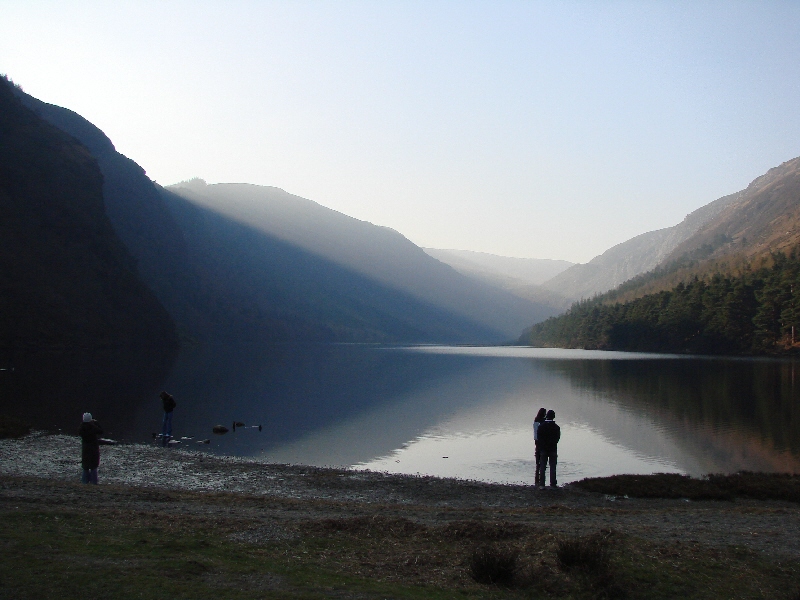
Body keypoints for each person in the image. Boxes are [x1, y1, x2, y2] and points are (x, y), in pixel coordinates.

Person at [536, 409, 561, 489]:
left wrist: (542, 447)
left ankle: (542, 484)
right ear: (553, 417)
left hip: (543, 449)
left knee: (542, 467)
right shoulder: (557, 427)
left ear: (547, 416)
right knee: (553, 467)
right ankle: (553, 484)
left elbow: (539, 438)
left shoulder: (541, 426)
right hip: (553, 449)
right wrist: (552, 444)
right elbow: (557, 439)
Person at [78, 412, 103, 484]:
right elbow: (101, 431)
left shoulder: (81, 428)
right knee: (93, 466)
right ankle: (93, 482)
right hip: (93, 449)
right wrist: (96, 423)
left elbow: (79, 431)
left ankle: (84, 482)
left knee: (85, 466)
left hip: (85, 449)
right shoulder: (93, 427)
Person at [533, 408, 547, 487]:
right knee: (541, 452)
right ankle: (540, 466)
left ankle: (538, 467)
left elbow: (535, 431)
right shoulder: (542, 421)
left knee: (537, 452)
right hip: (541, 440)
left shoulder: (536, 420)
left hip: (536, 440)